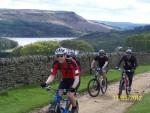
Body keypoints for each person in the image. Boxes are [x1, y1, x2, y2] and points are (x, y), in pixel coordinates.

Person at [41, 47, 80, 113]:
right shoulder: (56, 63)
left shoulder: (71, 62)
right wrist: (46, 83)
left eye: (61, 56)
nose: (59, 57)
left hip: (74, 80)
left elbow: (77, 78)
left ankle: (74, 108)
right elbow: (52, 75)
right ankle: (54, 107)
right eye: (58, 56)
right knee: (58, 93)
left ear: (65, 55)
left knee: (70, 94)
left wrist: (73, 87)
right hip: (65, 79)